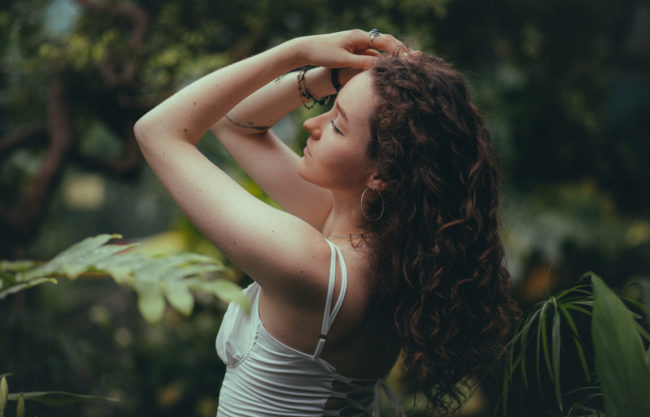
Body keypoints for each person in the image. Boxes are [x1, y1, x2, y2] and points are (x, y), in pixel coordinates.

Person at [134, 29, 518, 416]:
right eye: (330, 107)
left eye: (337, 125)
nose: (311, 125)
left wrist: (296, 51)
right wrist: (336, 77)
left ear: (381, 174)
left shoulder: (311, 265)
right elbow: (237, 125)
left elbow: (157, 131)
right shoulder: (382, 248)